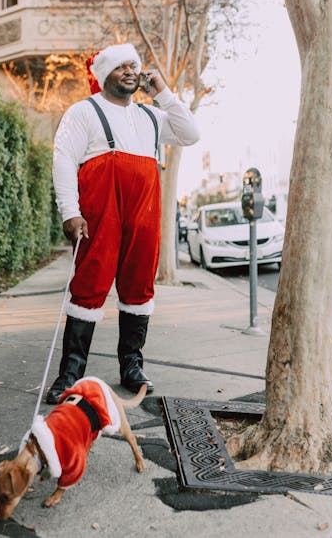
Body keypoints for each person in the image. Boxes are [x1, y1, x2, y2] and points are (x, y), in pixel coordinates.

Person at [46, 43, 200, 404]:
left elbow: (191, 134)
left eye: (134, 65)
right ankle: (70, 373)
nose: (130, 71)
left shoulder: (151, 117)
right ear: (104, 75)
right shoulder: (83, 112)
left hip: (143, 214)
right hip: (100, 212)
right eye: (121, 66)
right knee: (89, 285)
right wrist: (70, 212)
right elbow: (64, 160)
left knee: (138, 286)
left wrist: (161, 90)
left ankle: (131, 365)